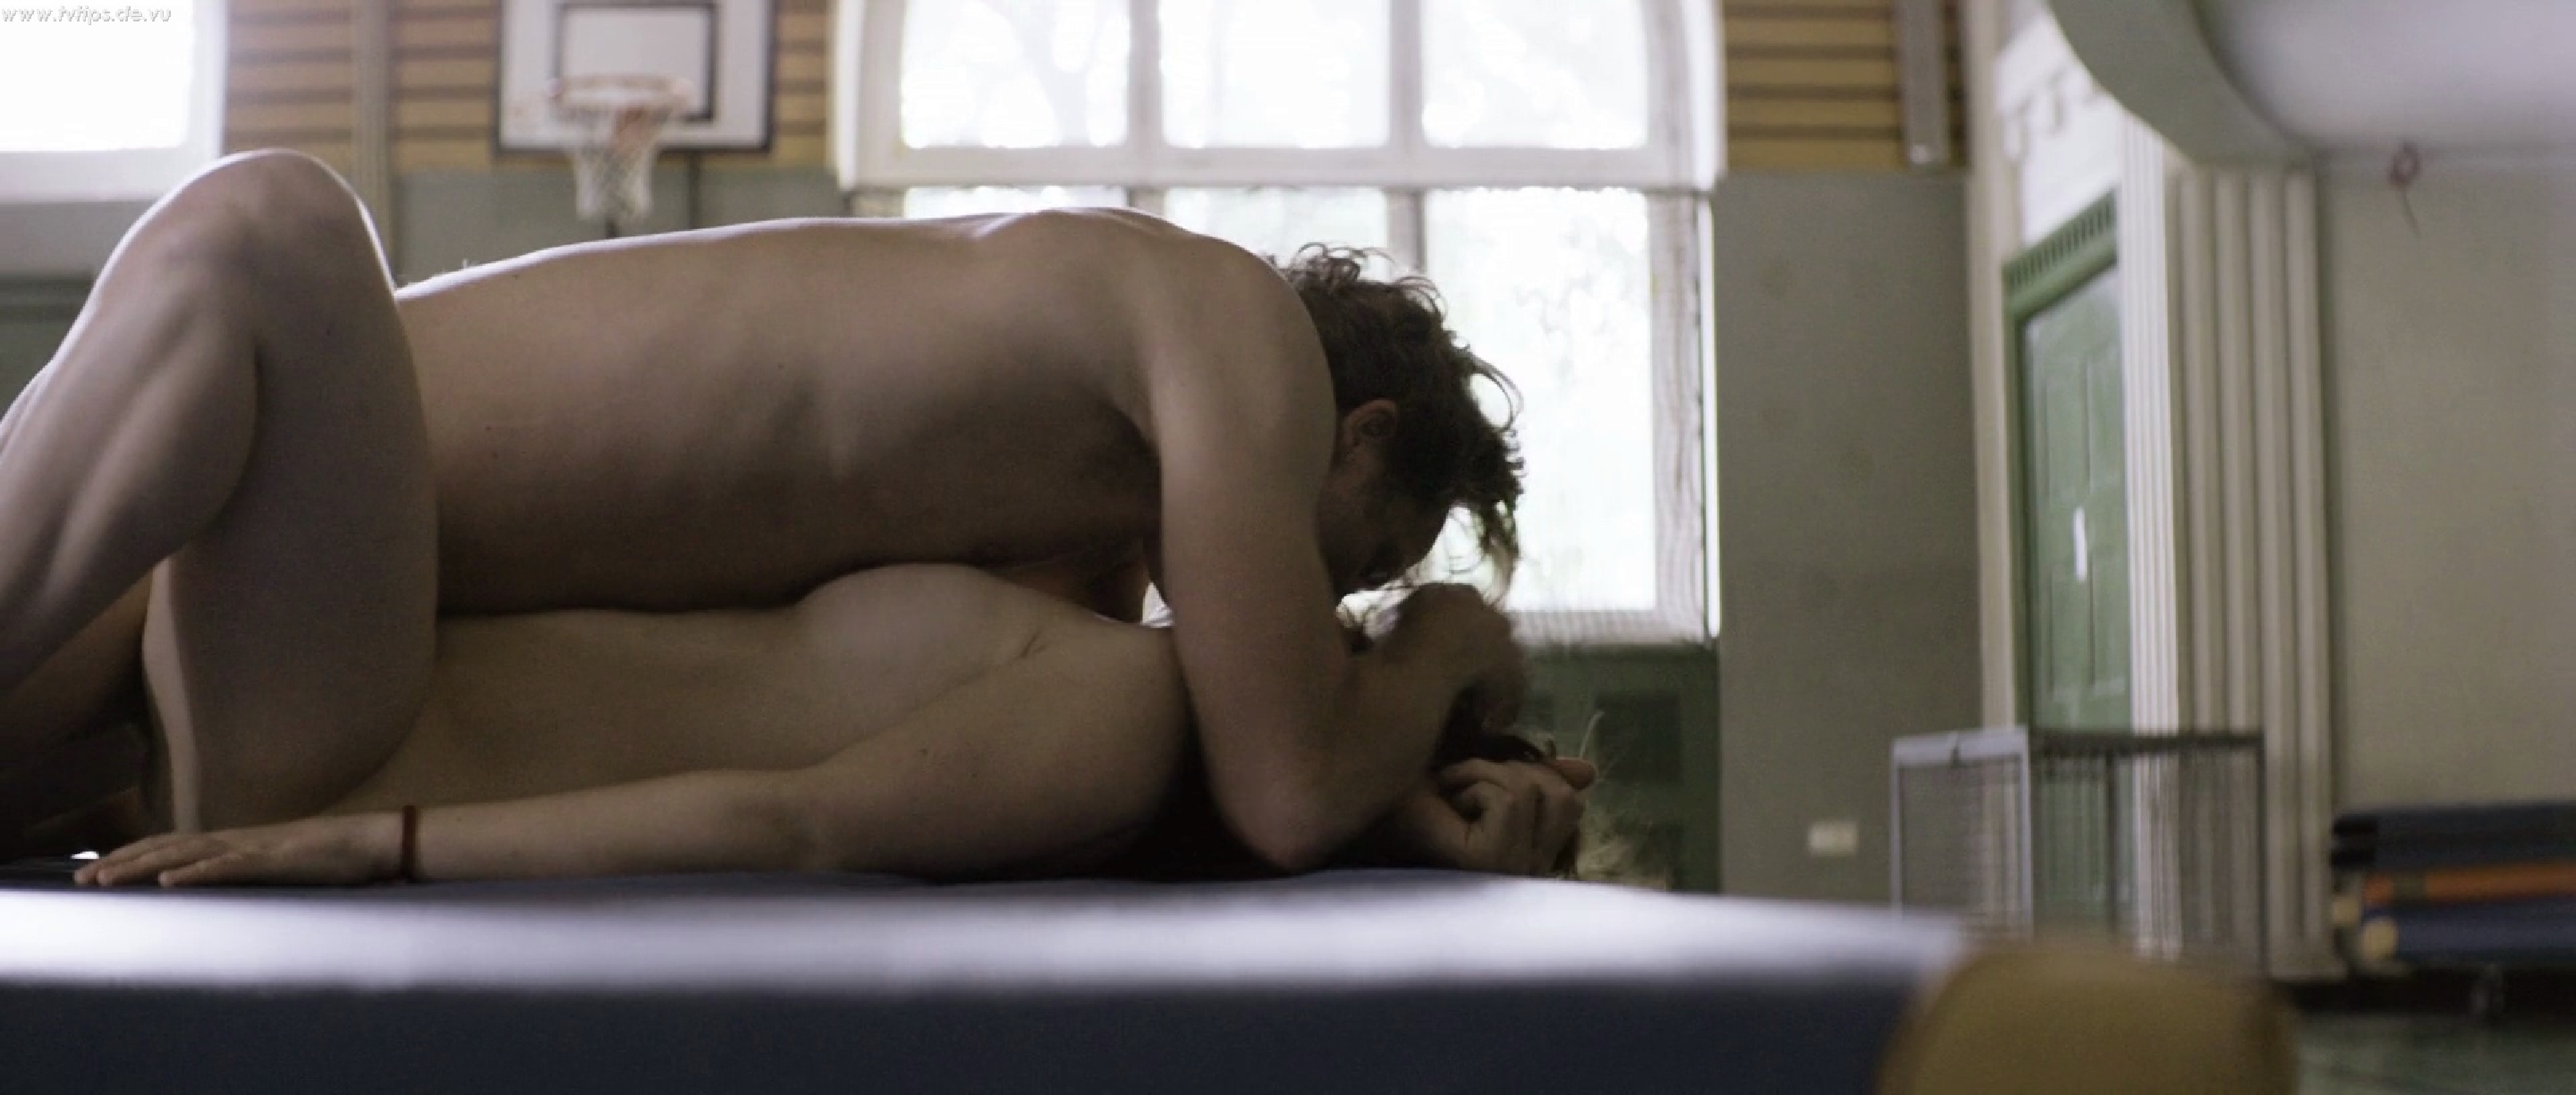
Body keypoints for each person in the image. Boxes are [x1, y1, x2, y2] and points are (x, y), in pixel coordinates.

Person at [0, 149, 1579, 877]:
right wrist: (1448, 643)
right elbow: (1290, 778)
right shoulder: (1229, 326)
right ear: (1359, 433)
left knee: (268, 240)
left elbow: (1261, 791)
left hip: (333, 599)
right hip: (303, 482)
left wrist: (1429, 790)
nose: (1315, 601)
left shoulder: (1071, 567)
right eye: (1362, 558)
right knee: (269, 228)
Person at [49, 564, 1595, 888]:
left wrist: (362, 846)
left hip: (324, 740)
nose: (1323, 616)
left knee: (275, 236)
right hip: (229, 719)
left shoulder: (1125, 715)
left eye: (1356, 637)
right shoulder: (1102, 638)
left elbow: (789, 822)